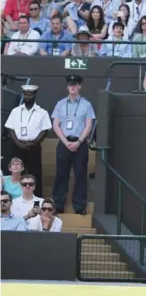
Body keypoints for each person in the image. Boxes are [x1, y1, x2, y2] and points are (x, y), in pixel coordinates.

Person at [51, 75, 96, 215]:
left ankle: (79, 206)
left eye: (75, 84)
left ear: (80, 86)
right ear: (67, 87)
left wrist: (78, 142)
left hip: (80, 143)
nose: (73, 87)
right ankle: (58, 205)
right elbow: (55, 125)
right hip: (64, 142)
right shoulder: (60, 104)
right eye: (70, 84)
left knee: (80, 175)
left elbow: (89, 125)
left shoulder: (86, 105)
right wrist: (66, 142)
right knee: (61, 175)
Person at [4, 85, 51, 197]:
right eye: (26, 94)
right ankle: (14, 198)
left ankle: (36, 201)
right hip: (17, 146)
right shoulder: (16, 111)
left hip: (33, 147)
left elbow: (45, 130)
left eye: (30, 94)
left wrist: (34, 142)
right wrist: (18, 143)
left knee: (35, 174)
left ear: (34, 95)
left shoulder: (42, 112)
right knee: (15, 173)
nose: (28, 96)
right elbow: (10, 128)